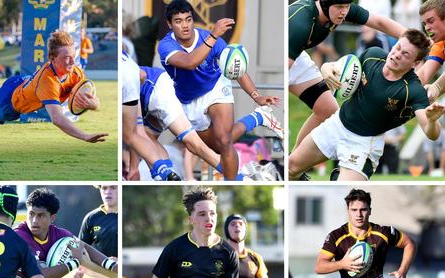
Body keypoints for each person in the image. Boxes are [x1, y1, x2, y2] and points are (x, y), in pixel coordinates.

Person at [289, 30, 445, 181]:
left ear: (415, 63)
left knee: (346, 190)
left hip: (363, 143)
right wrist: (327, 69)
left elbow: (432, 134)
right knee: (291, 168)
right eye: (398, 48)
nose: (397, 54)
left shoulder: (413, 89)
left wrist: (432, 121)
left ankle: (340, 177)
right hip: (336, 124)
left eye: (405, 54)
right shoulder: (373, 55)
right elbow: (334, 66)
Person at [159, 0, 280, 180]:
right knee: (210, 147)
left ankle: (233, 183)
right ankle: (257, 118)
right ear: (170, 24)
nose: (185, 25)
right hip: (188, 99)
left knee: (224, 141)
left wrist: (257, 96)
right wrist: (213, 36)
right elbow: (189, 62)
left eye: (188, 19)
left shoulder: (210, 39)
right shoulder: (166, 45)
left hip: (216, 88)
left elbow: (237, 68)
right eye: (178, 21)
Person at [288, 0, 405, 160]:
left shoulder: (339, 8)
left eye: (347, 6)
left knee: (328, 110)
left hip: (295, 55)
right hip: (281, 57)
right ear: (325, 4)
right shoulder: (301, 23)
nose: (344, 12)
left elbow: (378, 22)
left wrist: (412, 38)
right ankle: (291, 167)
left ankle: (293, 164)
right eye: (339, 7)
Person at [0, 30, 106, 143]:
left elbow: (89, 92)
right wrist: (85, 136)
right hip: (8, 105)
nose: (72, 62)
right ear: (52, 58)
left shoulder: (76, 72)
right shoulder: (48, 81)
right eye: (67, 58)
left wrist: (94, 104)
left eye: (73, 57)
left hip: (20, 83)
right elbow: (57, 119)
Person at [135, 66, 283, 181]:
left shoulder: (211, 42)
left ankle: (239, 178)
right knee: (147, 138)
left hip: (188, 91)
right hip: (177, 92)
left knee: (207, 144)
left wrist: (189, 178)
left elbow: (141, 75)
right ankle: (165, 174)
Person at [121, 51, 181, 181]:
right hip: (166, 89)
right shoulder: (125, 58)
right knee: (146, 136)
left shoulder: (128, 71)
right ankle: (168, 172)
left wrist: (133, 168)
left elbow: (141, 75)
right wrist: (134, 167)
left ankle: (163, 173)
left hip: (156, 90)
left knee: (132, 135)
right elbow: (140, 75)